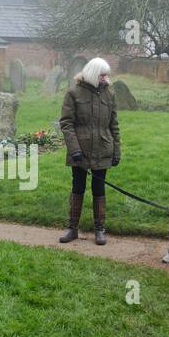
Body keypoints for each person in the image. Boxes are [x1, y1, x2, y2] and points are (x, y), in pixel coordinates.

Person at [58, 57, 121, 245]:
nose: (106, 78)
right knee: (78, 186)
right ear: (93, 74)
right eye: (102, 75)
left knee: (98, 188)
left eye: (106, 75)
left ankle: (99, 230)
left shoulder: (109, 94)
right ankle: (72, 228)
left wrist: (116, 151)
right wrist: (75, 149)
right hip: (81, 151)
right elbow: (66, 123)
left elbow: (114, 125)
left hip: (103, 149)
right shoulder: (73, 93)